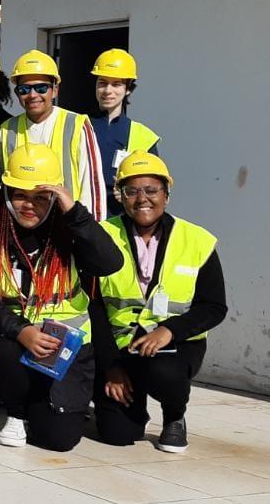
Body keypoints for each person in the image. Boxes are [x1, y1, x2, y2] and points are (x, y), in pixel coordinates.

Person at [0, 144, 123, 451]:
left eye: (40, 197)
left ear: (54, 197)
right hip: (12, 336)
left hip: (67, 345)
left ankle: (42, 407)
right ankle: (17, 412)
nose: (29, 205)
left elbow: (110, 263)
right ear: (6, 192)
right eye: (20, 194)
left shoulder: (70, 229)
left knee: (58, 440)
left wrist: (74, 212)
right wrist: (23, 331)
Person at [94, 152, 226, 453]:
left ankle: (174, 415)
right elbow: (94, 306)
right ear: (121, 197)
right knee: (117, 433)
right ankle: (133, 404)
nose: (142, 199)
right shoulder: (102, 235)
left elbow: (214, 307)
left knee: (163, 372)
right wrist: (111, 368)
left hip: (175, 347)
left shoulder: (198, 240)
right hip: (121, 347)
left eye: (151, 190)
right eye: (132, 191)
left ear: (166, 194)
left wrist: (169, 330)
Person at [0, 50, 107, 220]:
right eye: (24, 89)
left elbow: (92, 186)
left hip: (66, 227)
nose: (33, 95)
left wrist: (91, 235)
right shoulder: (6, 129)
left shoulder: (76, 125)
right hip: (23, 228)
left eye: (41, 88)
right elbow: (3, 187)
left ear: (55, 90)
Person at [89, 49, 161, 218]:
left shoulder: (144, 136)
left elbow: (154, 188)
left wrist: (131, 194)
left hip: (122, 221)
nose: (108, 90)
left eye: (116, 84)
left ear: (128, 88)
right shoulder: (77, 125)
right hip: (81, 222)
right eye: (102, 83)